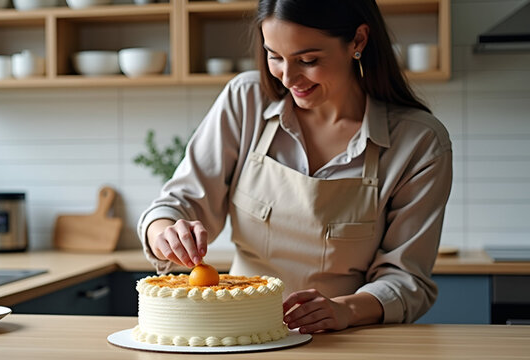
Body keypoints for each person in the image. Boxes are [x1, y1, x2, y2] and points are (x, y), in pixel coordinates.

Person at [137, 0, 452, 334]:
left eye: (308, 60)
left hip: (345, 339)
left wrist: (344, 310)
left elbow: (406, 279)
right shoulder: (246, 100)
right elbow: (181, 202)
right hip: (239, 334)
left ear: (358, 41)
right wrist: (165, 232)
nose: (288, 78)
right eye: (274, 56)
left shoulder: (419, 142)